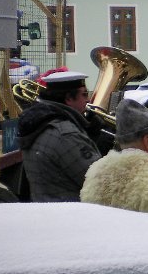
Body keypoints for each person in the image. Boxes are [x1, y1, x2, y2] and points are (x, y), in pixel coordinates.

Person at [17, 70, 101, 202]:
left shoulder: (41, 123)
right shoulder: (66, 135)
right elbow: (100, 181)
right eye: (84, 94)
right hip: (72, 213)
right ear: (68, 98)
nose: (88, 99)